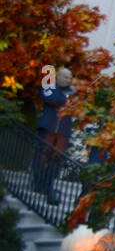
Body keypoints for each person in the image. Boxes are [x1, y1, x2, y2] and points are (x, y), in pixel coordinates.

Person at [33, 67, 74, 204]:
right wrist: (67, 98)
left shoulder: (71, 93)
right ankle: (38, 184)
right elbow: (51, 98)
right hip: (49, 128)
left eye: (70, 77)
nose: (68, 80)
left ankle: (48, 184)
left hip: (62, 131)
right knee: (41, 157)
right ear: (58, 77)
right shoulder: (49, 86)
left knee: (56, 161)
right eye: (66, 77)